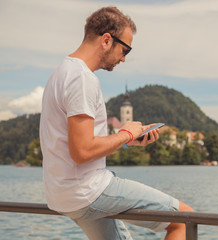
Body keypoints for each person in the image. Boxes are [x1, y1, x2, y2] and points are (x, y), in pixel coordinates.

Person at [40, 6, 193, 240]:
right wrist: (126, 135)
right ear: (106, 40)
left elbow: (75, 145)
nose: (123, 58)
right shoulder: (82, 79)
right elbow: (81, 151)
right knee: (183, 219)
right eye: (125, 49)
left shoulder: (61, 72)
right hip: (88, 191)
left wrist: (125, 142)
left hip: (62, 195)